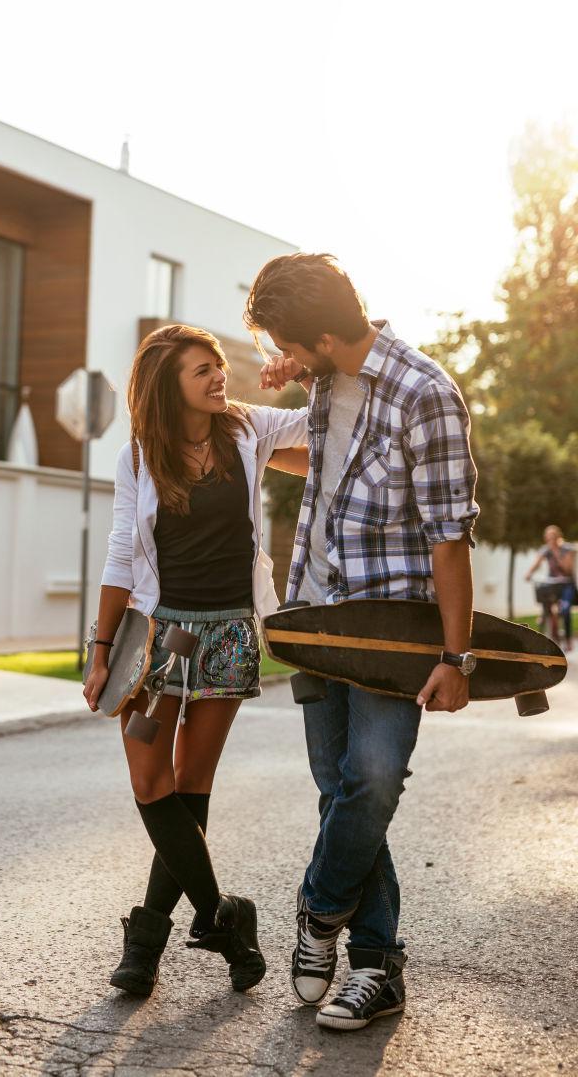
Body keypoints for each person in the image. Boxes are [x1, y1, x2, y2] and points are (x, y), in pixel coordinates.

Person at [244, 253, 479, 1031]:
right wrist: (281, 373)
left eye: (285, 340)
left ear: (317, 333)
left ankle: (318, 911)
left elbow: (451, 537)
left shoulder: (425, 394)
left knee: (372, 780)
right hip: (314, 616)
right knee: (340, 791)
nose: (283, 353)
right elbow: (321, 468)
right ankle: (377, 968)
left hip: (388, 633)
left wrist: (456, 657)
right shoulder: (318, 379)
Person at [83, 323, 308, 997]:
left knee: (190, 784)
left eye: (218, 365)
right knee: (151, 780)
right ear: (166, 385)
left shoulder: (245, 429)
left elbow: (315, 423)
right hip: (157, 642)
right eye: (201, 370)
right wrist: (99, 652)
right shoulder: (138, 458)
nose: (218, 377)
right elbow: (123, 551)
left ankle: (146, 944)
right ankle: (222, 916)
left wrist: (303, 360)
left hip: (228, 635)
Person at [525, 525, 576, 651]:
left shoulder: (567, 548)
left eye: (552, 537)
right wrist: (529, 573)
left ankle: (568, 640)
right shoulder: (546, 550)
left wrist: (556, 553)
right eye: (547, 538)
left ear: (558, 536)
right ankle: (551, 631)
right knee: (545, 603)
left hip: (567, 584)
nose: (549, 540)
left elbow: (568, 569)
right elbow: (537, 563)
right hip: (552, 583)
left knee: (565, 610)